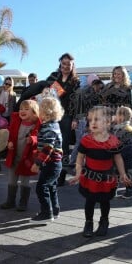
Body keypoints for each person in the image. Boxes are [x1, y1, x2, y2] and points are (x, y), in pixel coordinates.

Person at [69, 106, 132, 237]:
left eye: (96, 119)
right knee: (89, 201)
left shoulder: (113, 141)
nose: (92, 122)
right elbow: (80, 158)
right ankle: (88, 223)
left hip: (106, 177)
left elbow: (118, 158)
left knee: (105, 201)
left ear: (108, 122)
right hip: (90, 176)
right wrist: (77, 174)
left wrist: (123, 174)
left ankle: (104, 221)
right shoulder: (86, 140)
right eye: (90, 119)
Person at [0, 100, 41, 211]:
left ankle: (23, 203)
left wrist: (32, 139)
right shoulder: (16, 121)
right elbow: (10, 133)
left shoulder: (36, 125)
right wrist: (9, 142)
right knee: (11, 180)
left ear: (34, 112)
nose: (22, 111)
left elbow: (40, 139)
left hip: (26, 159)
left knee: (25, 181)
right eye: (21, 109)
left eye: (26, 109)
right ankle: (10, 201)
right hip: (14, 157)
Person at [47, 53, 80, 186]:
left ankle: (61, 175)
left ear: (72, 65)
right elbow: (46, 93)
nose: (66, 66)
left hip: (67, 116)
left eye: (69, 64)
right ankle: (51, 173)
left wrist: (75, 118)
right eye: (64, 63)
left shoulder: (75, 81)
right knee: (51, 144)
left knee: (63, 146)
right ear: (60, 63)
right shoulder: (53, 76)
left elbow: (77, 102)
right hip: (53, 115)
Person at [30, 97, 64, 224]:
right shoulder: (53, 125)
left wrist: (37, 163)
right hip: (54, 163)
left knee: (41, 187)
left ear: (45, 112)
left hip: (51, 163)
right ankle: (54, 210)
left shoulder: (49, 127)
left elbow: (48, 148)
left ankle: (46, 213)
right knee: (51, 187)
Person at [69, 77, 105, 168]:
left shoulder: (80, 91)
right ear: (95, 85)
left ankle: (73, 161)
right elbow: (90, 110)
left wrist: (74, 119)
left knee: (79, 142)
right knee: (84, 142)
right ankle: (77, 162)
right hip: (85, 120)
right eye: (100, 88)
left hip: (78, 119)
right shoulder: (91, 94)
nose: (100, 90)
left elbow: (74, 108)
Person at [112, 106, 132, 199]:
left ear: (121, 117)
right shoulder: (131, 127)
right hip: (130, 153)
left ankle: (114, 190)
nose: (115, 116)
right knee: (129, 172)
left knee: (116, 172)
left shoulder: (117, 128)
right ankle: (129, 190)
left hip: (120, 153)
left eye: (116, 114)